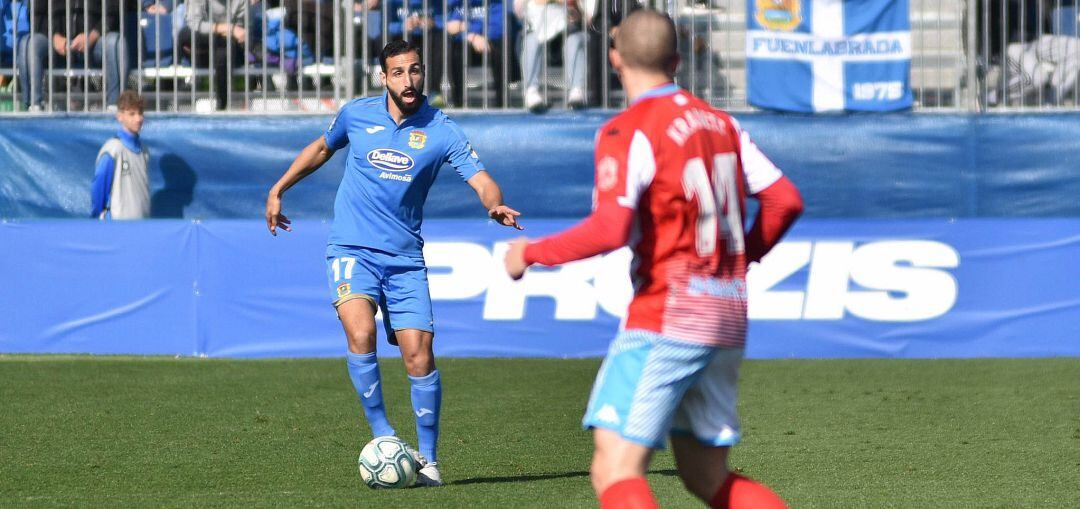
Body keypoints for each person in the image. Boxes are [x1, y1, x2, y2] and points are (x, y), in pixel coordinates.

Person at [503, 10, 803, 509]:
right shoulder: (720, 122)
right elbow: (785, 200)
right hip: (727, 313)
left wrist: (531, 252)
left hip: (669, 313)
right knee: (705, 476)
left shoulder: (629, 129)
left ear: (615, 57)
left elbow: (610, 229)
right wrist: (739, 258)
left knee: (614, 467)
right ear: (678, 60)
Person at [265, 39, 523, 487]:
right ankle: (384, 434)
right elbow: (322, 149)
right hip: (352, 249)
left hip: (405, 259)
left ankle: (429, 459)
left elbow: (480, 178)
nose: (409, 80)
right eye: (399, 72)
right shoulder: (356, 114)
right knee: (360, 332)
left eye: (416, 70)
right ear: (383, 77)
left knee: (419, 356)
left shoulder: (441, 129)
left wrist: (493, 204)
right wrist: (279, 187)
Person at [21, 0, 128, 110]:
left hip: (95, 43)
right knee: (29, 44)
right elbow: (35, 15)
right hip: (54, 44)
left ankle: (116, 106)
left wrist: (92, 35)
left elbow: (115, 11)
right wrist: (54, 36)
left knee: (115, 42)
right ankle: (33, 106)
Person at [180, 0, 261, 110]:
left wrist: (227, 31)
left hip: (226, 48)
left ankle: (221, 106)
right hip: (200, 49)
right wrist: (228, 28)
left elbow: (240, 32)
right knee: (184, 34)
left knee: (224, 48)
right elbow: (195, 24)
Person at [445, 0, 521, 108]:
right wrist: (471, 35)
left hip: (490, 36)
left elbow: (499, 23)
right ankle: (458, 103)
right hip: (465, 38)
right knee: (455, 52)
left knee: (501, 47)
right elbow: (451, 25)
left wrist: (474, 31)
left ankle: (502, 103)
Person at [513, 0, 586, 111]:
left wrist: (573, 10)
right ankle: (531, 91)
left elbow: (581, 11)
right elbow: (518, 11)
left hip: (565, 24)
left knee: (574, 40)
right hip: (535, 25)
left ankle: (577, 90)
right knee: (531, 41)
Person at [92, 90, 151, 220]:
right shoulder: (113, 149)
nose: (138, 118)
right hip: (118, 228)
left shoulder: (144, 150)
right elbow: (99, 188)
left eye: (140, 113)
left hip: (143, 226)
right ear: (120, 117)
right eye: (132, 114)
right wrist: (96, 218)